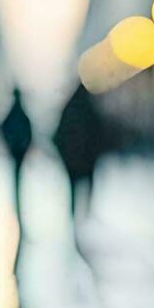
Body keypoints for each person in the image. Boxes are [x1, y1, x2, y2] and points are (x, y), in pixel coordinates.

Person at [53, 83, 105, 218]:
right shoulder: (89, 110)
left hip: (73, 159)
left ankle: (74, 211)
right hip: (86, 158)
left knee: (74, 187)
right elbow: (99, 133)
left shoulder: (69, 109)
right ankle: (86, 211)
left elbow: (59, 134)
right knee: (88, 183)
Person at [0, 89, 33, 215]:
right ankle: (17, 200)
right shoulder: (22, 115)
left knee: (16, 176)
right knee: (17, 176)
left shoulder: (12, 114)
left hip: (16, 151)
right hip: (18, 151)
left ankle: (16, 198)